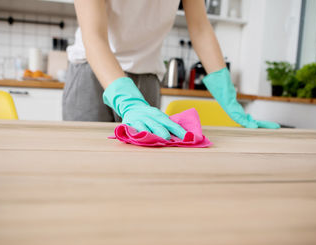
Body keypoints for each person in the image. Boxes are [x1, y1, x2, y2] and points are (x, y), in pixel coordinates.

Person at [63, 0, 279, 140]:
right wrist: (129, 102)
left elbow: (201, 28)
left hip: (146, 76)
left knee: (141, 168)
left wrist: (228, 98)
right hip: (92, 73)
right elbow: (93, 37)